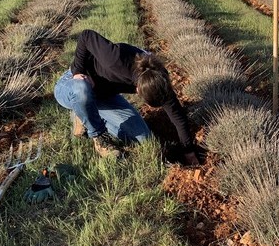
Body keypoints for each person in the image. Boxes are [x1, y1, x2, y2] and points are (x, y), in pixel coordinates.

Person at [54, 29, 199, 164]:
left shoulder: (159, 80)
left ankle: (87, 116)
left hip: (105, 97)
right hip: (73, 86)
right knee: (82, 89)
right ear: (138, 89)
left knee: (144, 139)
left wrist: (189, 152)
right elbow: (86, 36)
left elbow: (178, 117)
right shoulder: (116, 60)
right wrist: (78, 72)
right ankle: (99, 137)